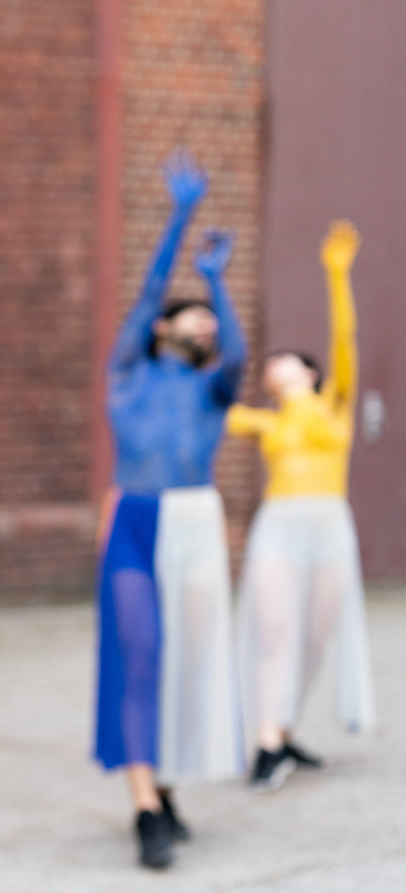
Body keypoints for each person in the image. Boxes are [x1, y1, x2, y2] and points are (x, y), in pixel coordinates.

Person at [94, 150, 247, 870]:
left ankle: (165, 783)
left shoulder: (213, 389)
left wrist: (218, 283)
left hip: (193, 524)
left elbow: (240, 355)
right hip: (134, 521)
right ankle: (145, 809)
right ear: (163, 328)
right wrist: (181, 216)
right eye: (194, 317)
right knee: (142, 651)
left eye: (209, 321)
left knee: (185, 657)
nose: (206, 328)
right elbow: (150, 290)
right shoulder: (128, 370)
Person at [227, 220, 376, 791]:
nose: (275, 365)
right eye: (271, 364)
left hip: (330, 524)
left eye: (286, 359)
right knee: (275, 631)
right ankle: (267, 742)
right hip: (281, 525)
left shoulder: (334, 404)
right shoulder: (264, 420)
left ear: (309, 373)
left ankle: (285, 729)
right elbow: (213, 408)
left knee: (315, 635)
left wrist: (337, 275)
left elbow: (346, 341)